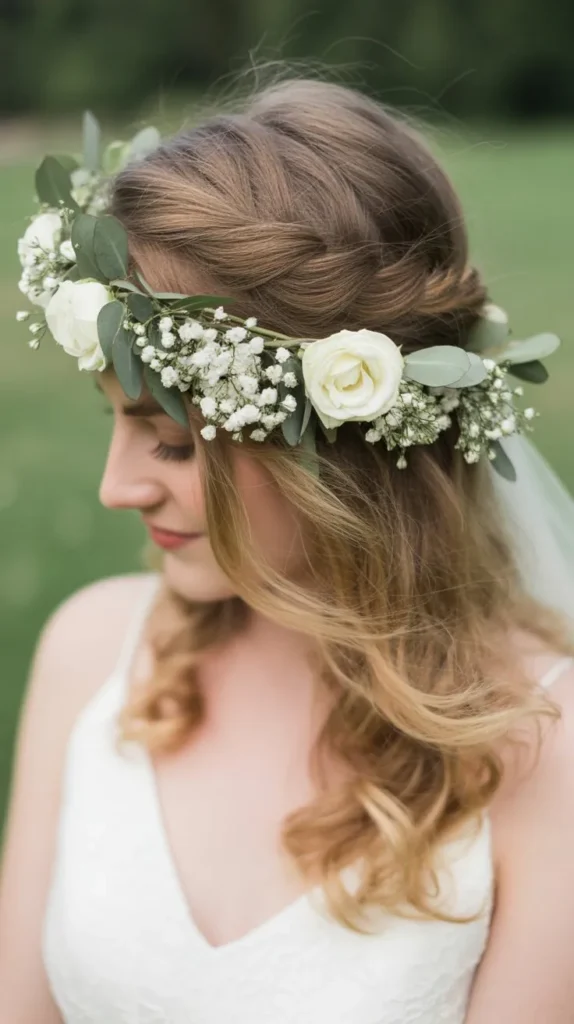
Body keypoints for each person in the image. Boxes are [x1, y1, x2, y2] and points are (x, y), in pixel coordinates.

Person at [1, 75, 574, 1024]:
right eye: (114, 424)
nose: (116, 487)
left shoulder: (539, 742)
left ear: (345, 451)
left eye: (172, 442)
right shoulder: (90, 654)